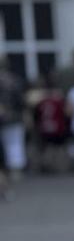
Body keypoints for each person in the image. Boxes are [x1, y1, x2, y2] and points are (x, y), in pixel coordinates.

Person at [32, 82, 70, 175]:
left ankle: (47, 164)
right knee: (58, 148)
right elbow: (65, 114)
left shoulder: (41, 102)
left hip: (45, 127)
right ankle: (57, 165)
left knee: (48, 147)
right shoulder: (59, 102)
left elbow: (36, 116)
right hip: (58, 127)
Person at [0, 64, 25, 200]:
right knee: (14, 144)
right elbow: (20, 101)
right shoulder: (14, 80)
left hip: (6, 118)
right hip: (13, 118)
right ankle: (15, 169)